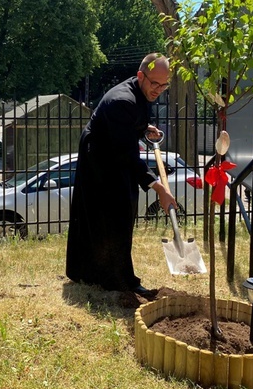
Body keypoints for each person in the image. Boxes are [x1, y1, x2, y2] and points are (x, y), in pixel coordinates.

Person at [65, 53, 177, 294]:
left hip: (115, 152)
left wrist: (142, 127)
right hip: (100, 157)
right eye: (154, 83)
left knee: (122, 211)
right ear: (140, 76)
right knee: (110, 214)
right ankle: (120, 280)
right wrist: (159, 188)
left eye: (164, 84)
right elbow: (128, 156)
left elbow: (128, 124)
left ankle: (97, 273)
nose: (158, 89)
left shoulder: (139, 91)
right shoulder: (122, 101)